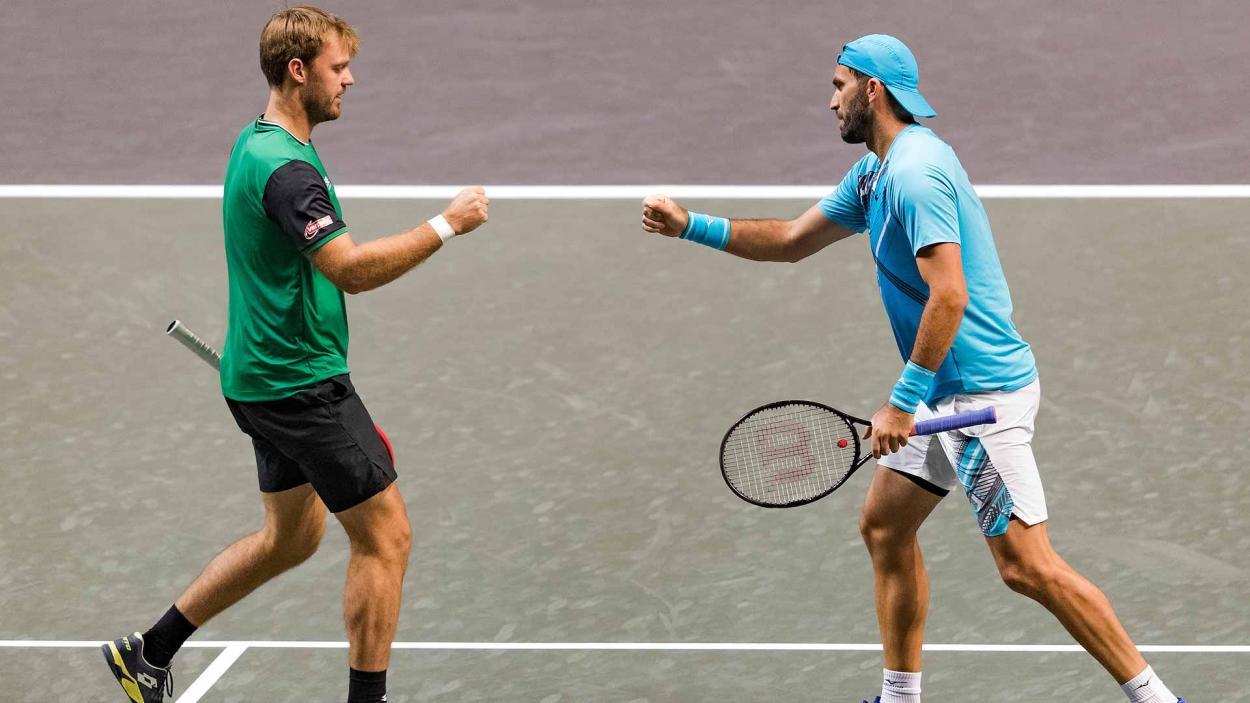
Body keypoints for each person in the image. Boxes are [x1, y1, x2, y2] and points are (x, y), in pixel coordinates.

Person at [640, 33, 1183, 703]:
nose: (829, 99)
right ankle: (900, 697)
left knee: (1026, 566)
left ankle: (1158, 698)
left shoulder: (913, 174)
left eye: (839, 85)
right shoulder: (875, 171)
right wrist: (690, 224)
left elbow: (949, 293)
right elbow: (788, 241)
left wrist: (903, 402)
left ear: (872, 90)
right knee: (885, 526)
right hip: (940, 393)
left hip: (977, 395)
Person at [101, 7, 490, 702]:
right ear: (298, 70)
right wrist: (445, 225)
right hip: (300, 385)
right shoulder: (288, 172)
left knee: (290, 539)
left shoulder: (258, 144)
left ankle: (148, 653)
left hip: (257, 378)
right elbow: (351, 269)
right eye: (339, 68)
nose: (351, 80)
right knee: (387, 538)